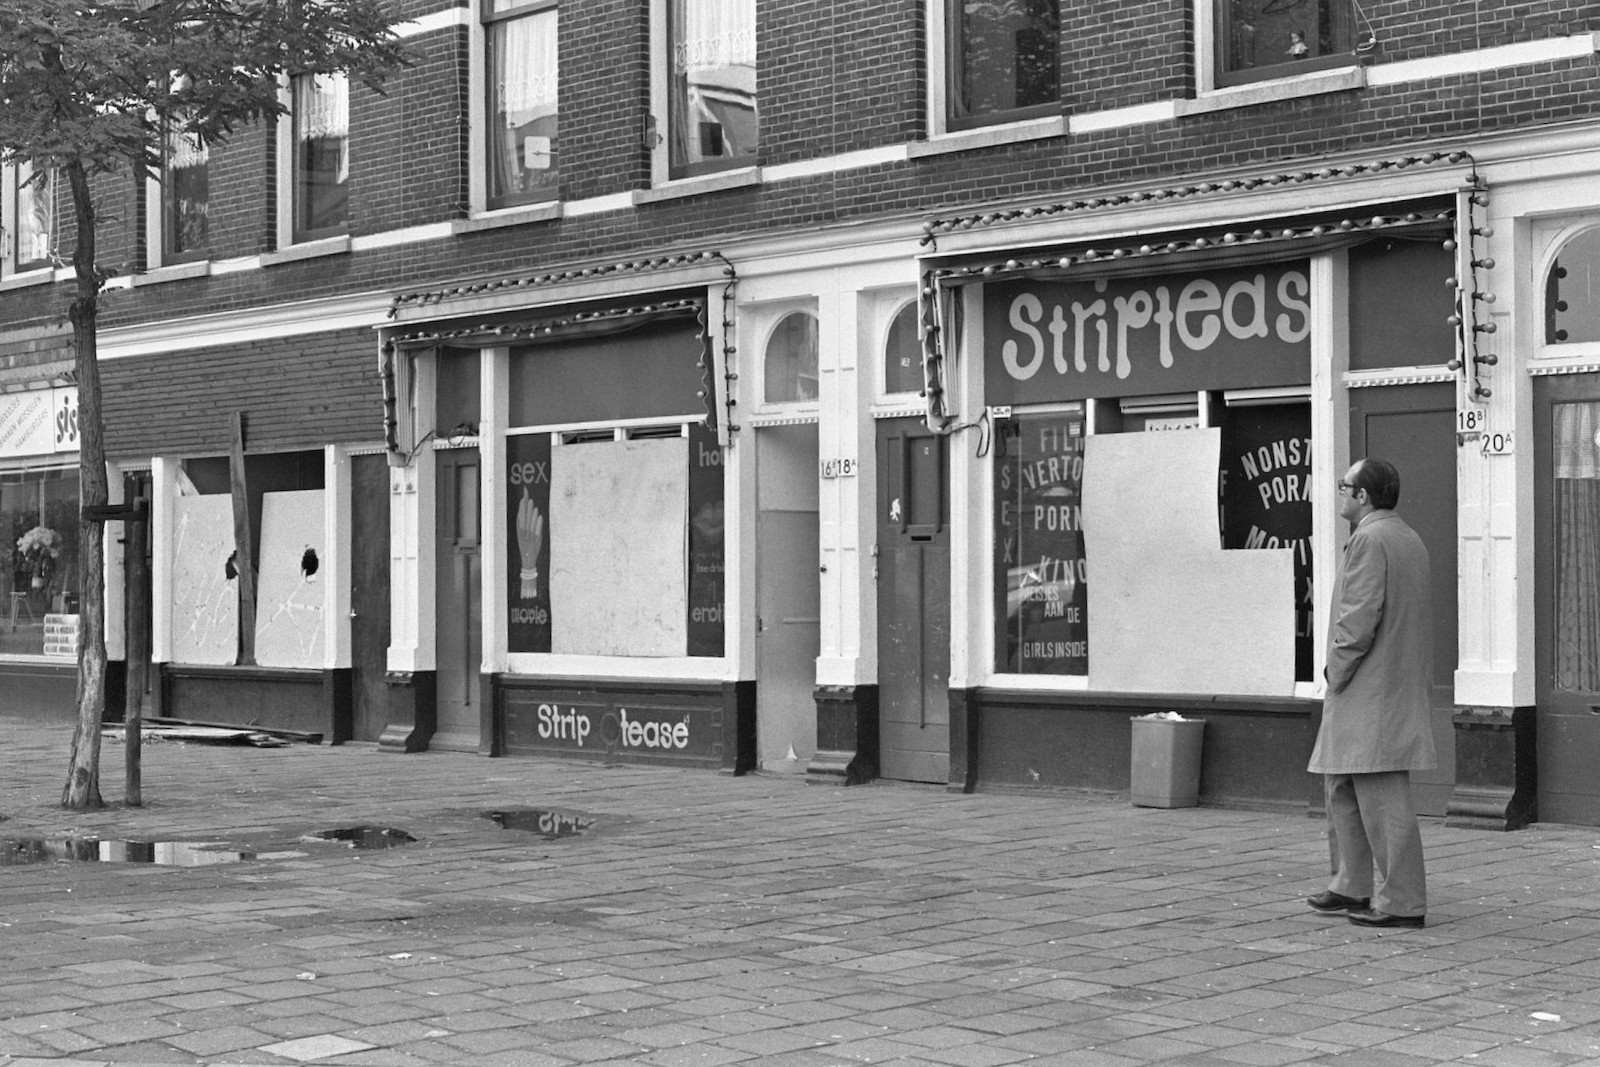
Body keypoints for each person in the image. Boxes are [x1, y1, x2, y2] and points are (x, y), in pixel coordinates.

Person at [1305, 458, 1436, 929]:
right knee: (1342, 782)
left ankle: (1401, 901)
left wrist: (1334, 672)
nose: (1340, 492)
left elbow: (1357, 618)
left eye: (1345, 486)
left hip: (1367, 684)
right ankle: (1351, 884)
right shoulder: (1405, 536)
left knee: (1380, 794)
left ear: (1363, 496)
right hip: (1384, 683)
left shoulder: (1369, 539)